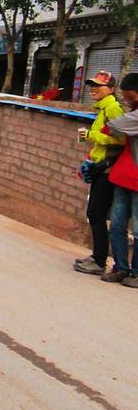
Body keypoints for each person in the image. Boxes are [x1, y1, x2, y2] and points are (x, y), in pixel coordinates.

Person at [73, 71, 125, 275]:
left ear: (111, 89)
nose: (93, 89)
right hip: (99, 167)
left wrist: (91, 135)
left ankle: (99, 260)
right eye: (91, 85)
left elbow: (121, 139)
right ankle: (97, 257)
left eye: (98, 86)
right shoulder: (103, 108)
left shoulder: (112, 108)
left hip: (107, 170)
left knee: (96, 213)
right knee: (94, 213)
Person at [99, 73, 138, 287]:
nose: (126, 100)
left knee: (137, 230)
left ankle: (136, 272)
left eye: (130, 96)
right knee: (117, 225)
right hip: (124, 177)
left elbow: (113, 126)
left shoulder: (133, 116)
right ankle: (121, 268)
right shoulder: (131, 113)